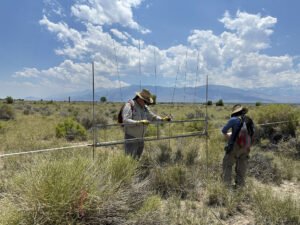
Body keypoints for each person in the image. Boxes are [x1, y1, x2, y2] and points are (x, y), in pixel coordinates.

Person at [122, 89, 171, 159]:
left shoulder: (145, 108)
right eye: (145, 101)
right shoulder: (129, 105)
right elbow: (125, 120)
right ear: (139, 99)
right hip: (131, 138)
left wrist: (162, 119)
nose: (146, 103)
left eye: (147, 102)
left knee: (137, 159)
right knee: (129, 159)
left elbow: (153, 117)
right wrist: (138, 122)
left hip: (141, 139)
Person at [221, 104, 255, 188]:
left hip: (235, 146)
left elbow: (224, 130)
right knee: (242, 166)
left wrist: (231, 135)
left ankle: (226, 186)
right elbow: (253, 133)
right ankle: (240, 185)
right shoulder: (249, 120)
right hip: (246, 146)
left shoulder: (233, 119)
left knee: (227, 164)